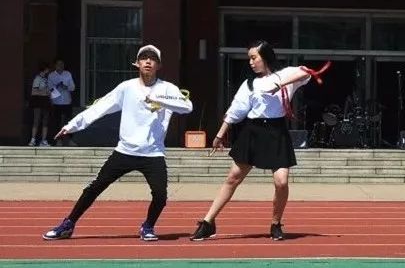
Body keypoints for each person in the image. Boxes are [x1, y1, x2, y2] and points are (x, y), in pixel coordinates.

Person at [42, 45, 193, 241]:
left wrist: (160, 100)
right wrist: (73, 125)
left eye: (152, 59)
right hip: (124, 151)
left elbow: (187, 107)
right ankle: (68, 224)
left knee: (160, 195)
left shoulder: (167, 88)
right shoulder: (127, 87)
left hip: (153, 154)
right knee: (94, 188)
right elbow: (101, 107)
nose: (148, 61)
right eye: (144, 58)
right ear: (137, 63)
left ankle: (148, 226)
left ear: (159, 65)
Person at [190, 41, 326, 242]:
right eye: (249, 59)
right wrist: (219, 135)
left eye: (254, 57)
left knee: (281, 182)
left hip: (277, 132)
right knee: (233, 178)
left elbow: (307, 73)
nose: (251, 62)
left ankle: (276, 223)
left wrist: (279, 84)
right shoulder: (249, 84)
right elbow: (236, 111)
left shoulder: (285, 74)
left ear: (266, 57)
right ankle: (208, 222)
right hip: (253, 132)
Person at [48, 59, 76, 146]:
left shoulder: (67, 74)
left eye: (62, 64)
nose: (61, 66)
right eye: (59, 64)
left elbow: (73, 87)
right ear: (55, 65)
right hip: (56, 102)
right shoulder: (51, 75)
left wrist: (66, 87)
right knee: (56, 122)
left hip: (67, 101)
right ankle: (58, 141)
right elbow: (49, 89)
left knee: (69, 122)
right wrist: (57, 86)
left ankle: (70, 140)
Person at [29, 62, 52, 146]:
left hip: (45, 103)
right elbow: (34, 91)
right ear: (45, 69)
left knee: (45, 121)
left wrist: (48, 93)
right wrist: (44, 92)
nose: (48, 70)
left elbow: (46, 90)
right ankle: (33, 140)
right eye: (47, 69)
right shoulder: (37, 79)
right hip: (38, 102)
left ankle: (44, 140)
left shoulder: (45, 79)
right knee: (36, 120)